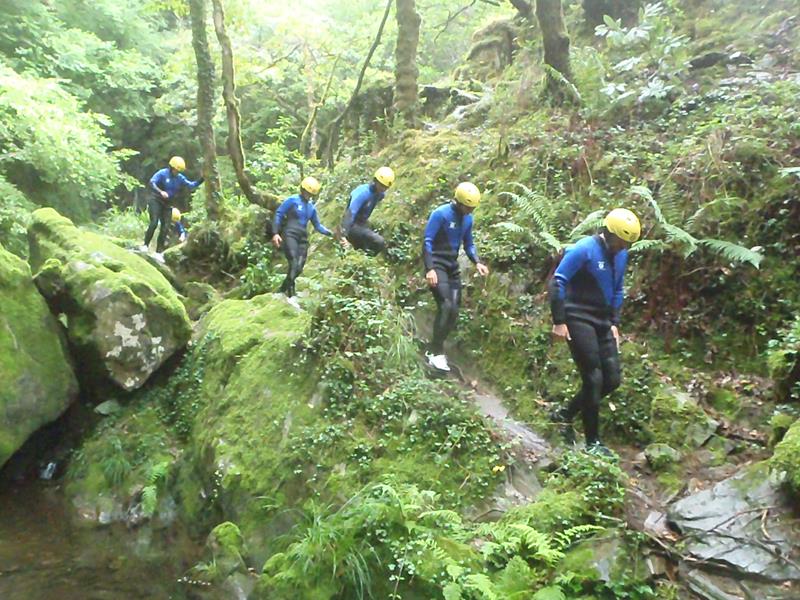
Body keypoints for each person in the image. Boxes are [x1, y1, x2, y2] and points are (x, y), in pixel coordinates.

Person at [547, 208, 642, 455]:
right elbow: (558, 281)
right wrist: (559, 321)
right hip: (577, 316)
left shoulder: (621, 255)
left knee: (611, 380)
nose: (623, 247)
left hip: (602, 321)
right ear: (609, 233)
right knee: (593, 377)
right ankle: (592, 442)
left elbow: (618, 289)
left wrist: (614, 322)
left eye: (627, 244)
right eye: (620, 242)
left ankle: (565, 414)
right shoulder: (584, 249)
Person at [423, 182, 490, 372]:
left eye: (473, 208)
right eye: (468, 207)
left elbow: (469, 244)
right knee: (445, 305)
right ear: (459, 202)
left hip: (451, 267)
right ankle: (436, 353)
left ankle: (434, 347)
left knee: (453, 310)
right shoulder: (441, 214)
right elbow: (427, 241)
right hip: (437, 265)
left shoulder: (468, 219)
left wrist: (477, 262)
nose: (470, 211)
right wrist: (430, 269)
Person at [272, 176, 333, 297]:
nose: (308, 195)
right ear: (302, 189)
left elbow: (318, 226)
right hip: (290, 234)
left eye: (311, 194)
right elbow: (279, 213)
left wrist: (331, 233)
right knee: (293, 262)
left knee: (299, 267)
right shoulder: (292, 200)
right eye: (306, 192)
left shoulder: (311, 208)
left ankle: (282, 290)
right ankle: (289, 293)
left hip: (302, 238)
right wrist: (275, 233)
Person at [143, 156, 203, 258]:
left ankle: (158, 252)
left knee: (165, 227)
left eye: (179, 171)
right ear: (171, 168)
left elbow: (192, 185)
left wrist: (203, 178)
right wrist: (161, 192)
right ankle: (145, 245)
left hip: (167, 204)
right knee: (154, 222)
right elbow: (152, 182)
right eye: (176, 170)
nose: (177, 173)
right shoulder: (162, 173)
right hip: (156, 200)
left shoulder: (180, 178)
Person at [341, 166, 395, 255]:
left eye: (385, 187)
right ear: (375, 181)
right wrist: (344, 236)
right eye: (381, 185)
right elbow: (350, 214)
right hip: (352, 226)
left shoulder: (380, 194)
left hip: (362, 224)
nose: (383, 189)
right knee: (379, 241)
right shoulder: (363, 193)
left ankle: (363, 255)